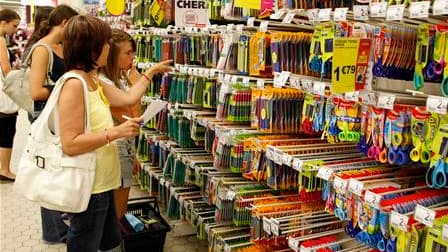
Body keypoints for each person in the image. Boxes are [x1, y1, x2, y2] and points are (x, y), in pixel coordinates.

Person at [60, 15, 171, 251]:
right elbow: (69, 143)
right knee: (85, 242)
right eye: (105, 42)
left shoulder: (93, 81)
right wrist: (115, 132)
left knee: (107, 240)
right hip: (90, 182)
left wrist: (149, 73)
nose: (109, 48)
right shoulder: (74, 84)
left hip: (104, 180)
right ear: (90, 47)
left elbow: (130, 98)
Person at [26, 4, 78, 244]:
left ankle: (61, 220)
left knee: (61, 171)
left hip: (62, 116)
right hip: (45, 118)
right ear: (66, 23)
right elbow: (35, 91)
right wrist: (66, 89)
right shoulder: (42, 49)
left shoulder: (62, 47)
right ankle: (53, 232)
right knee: (49, 172)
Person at [98, 29, 142, 220]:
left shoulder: (119, 78)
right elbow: (132, 117)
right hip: (116, 147)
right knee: (118, 209)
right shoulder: (106, 83)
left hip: (121, 147)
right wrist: (136, 90)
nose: (132, 57)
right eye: (127, 53)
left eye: (133, 52)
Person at [0, 9, 20, 181]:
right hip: (3, 92)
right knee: (6, 129)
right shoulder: (0, 41)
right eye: (14, 26)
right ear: (3, 22)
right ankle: (4, 169)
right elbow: (5, 70)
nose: (15, 30)